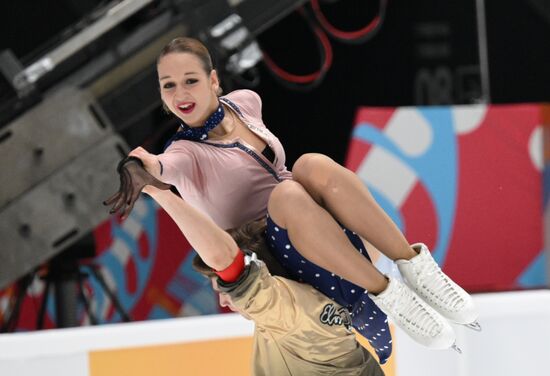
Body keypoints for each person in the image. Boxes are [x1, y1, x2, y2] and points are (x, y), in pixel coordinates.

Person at [107, 36, 478, 362]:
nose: (180, 94)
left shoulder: (246, 103)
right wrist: (139, 166)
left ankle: (416, 267)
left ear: (214, 81)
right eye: (168, 85)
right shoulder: (184, 156)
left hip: (322, 234)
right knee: (286, 193)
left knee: (310, 164)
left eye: (190, 80)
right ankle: (389, 296)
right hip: (280, 265)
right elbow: (158, 166)